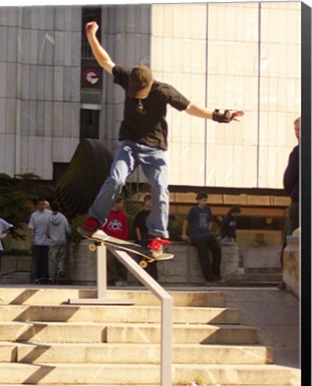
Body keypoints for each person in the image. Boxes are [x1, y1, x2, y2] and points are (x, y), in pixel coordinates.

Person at [79, 21, 244, 258]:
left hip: (155, 149)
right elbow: (105, 62)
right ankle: (95, 219)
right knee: (115, 178)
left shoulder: (165, 91)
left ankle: (157, 236)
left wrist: (221, 116)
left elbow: (191, 108)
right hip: (129, 144)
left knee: (160, 187)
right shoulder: (127, 77)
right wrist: (91, 36)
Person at [182, 192, 223, 283]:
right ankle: (208, 276)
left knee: (217, 250)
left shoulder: (208, 209)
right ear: (198, 201)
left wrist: (209, 229)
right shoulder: (193, 210)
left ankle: (216, 273)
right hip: (197, 235)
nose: (205, 202)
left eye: (206, 200)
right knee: (204, 255)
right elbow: (186, 221)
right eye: (203, 200)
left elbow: (209, 221)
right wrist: (184, 234)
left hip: (207, 234)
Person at [279, 116, 300, 288]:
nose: (297, 134)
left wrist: (291, 192)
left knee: (292, 240)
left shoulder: (299, 151)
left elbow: (290, 176)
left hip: (299, 201)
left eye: (299, 130)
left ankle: (288, 279)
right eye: (295, 130)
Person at [102, 196, 129, 286]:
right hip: (109, 240)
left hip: (120, 241)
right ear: (115, 204)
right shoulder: (107, 214)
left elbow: (125, 228)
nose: (122, 205)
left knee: (121, 261)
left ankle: (123, 278)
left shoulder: (122, 214)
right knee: (109, 261)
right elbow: (103, 227)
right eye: (121, 203)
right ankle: (113, 279)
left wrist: (124, 240)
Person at [134, 194, 158, 280]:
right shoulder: (141, 214)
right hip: (143, 237)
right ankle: (143, 279)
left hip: (152, 238)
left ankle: (154, 278)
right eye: (147, 201)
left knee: (153, 258)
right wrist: (139, 238)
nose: (149, 203)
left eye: (150, 201)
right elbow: (137, 227)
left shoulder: (155, 214)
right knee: (142, 258)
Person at [28, 197, 52, 283]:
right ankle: (36, 277)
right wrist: (32, 240)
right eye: (41, 204)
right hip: (38, 241)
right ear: (37, 205)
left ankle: (44, 277)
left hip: (47, 242)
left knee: (46, 261)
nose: (42, 206)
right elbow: (32, 229)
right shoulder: (34, 216)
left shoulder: (50, 214)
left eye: (43, 204)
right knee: (37, 260)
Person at [46, 201, 71, 282]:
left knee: (52, 260)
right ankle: (60, 270)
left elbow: (46, 230)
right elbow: (67, 230)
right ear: (59, 208)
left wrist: (49, 236)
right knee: (61, 258)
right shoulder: (63, 218)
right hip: (62, 241)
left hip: (53, 242)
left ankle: (52, 277)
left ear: (51, 209)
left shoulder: (48, 219)